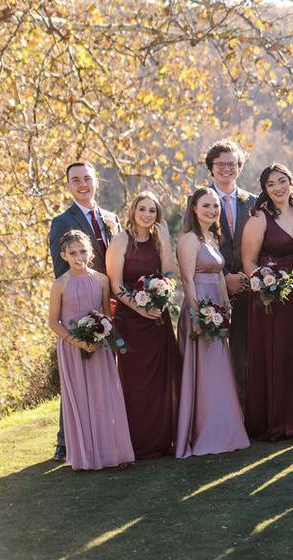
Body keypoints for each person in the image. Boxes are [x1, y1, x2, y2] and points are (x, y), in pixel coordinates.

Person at [48, 161, 121, 461]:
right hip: (80, 309)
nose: (83, 184)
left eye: (87, 178)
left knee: (105, 373)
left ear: (96, 182)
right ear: (68, 185)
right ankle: (67, 442)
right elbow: (59, 270)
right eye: (75, 180)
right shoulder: (62, 221)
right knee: (77, 376)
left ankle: (106, 434)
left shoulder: (110, 218)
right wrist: (79, 315)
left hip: (110, 301)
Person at [47, 230, 134, 470]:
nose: (78, 257)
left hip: (101, 346)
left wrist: (106, 337)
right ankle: (86, 456)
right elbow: (53, 322)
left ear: (90, 252)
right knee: (81, 400)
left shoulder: (101, 280)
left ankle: (111, 452)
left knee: (103, 396)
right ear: (64, 255)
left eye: (83, 251)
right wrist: (79, 342)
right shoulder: (60, 284)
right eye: (72, 253)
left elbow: (106, 313)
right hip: (73, 349)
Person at [241, 164, 293, 440]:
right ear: (265, 189)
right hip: (271, 299)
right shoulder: (259, 217)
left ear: (291, 183)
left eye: (282, 181)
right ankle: (275, 421)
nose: (277, 188)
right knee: (276, 355)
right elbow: (248, 261)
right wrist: (263, 284)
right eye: (271, 184)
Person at [175, 188, 250, 458]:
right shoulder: (189, 239)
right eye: (206, 206)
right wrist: (199, 316)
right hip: (199, 312)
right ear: (194, 208)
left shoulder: (211, 237)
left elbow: (219, 277)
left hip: (216, 311)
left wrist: (225, 309)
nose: (212, 211)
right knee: (203, 374)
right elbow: (187, 281)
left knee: (219, 373)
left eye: (215, 206)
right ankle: (203, 434)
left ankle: (225, 431)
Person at [106, 192, 181, 459]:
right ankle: (136, 441)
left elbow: (170, 275)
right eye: (142, 209)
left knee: (162, 381)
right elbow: (116, 286)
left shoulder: (158, 241)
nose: (147, 215)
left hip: (158, 321)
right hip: (132, 322)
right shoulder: (121, 240)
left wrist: (166, 241)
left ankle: (162, 440)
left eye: (152, 211)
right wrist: (140, 307)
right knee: (136, 382)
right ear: (133, 211)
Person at [203, 140, 255, 404]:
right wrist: (224, 280)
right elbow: (192, 245)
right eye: (220, 164)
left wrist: (246, 278)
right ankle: (219, 408)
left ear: (239, 167)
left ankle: (246, 412)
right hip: (212, 287)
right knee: (215, 353)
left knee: (244, 353)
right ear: (211, 168)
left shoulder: (254, 202)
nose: (226, 169)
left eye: (232, 164)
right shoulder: (200, 200)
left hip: (249, 288)